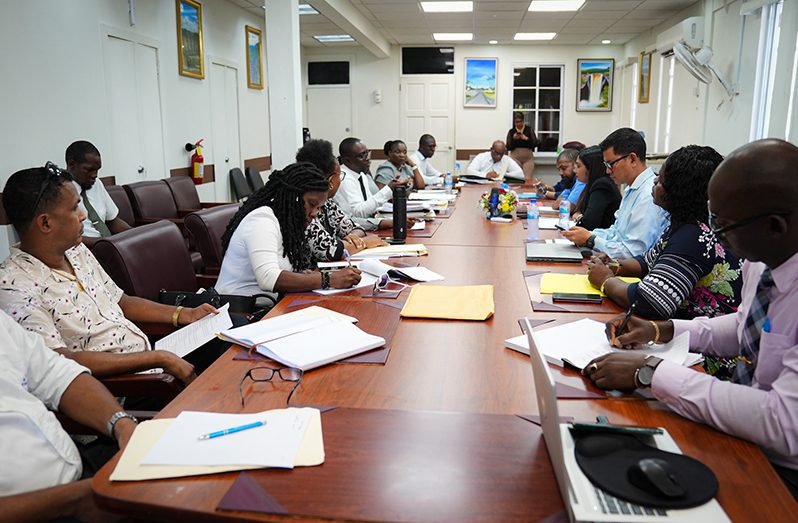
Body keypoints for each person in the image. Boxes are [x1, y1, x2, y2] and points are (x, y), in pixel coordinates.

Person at [583, 139, 798, 498]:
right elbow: (744, 326)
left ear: (774, 226)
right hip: (744, 427)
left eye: (724, 225)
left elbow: (783, 424)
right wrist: (662, 330)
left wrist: (650, 371)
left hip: (782, 470)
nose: (714, 235)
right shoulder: (764, 261)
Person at [0, 164, 214, 383]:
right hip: (126, 386)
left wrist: (184, 314)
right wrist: (157, 358)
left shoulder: (76, 250)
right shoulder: (13, 284)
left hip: (151, 358)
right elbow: (59, 360)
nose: (83, 216)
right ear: (46, 222)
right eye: (74, 208)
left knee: (225, 338)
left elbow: (121, 301)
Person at [1, 309, 138, 521]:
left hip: (80, 472)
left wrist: (122, 425)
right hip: (46, 508)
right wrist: (77, 500)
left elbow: (56, 375)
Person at [587, 143, 742, 320]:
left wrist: (606, 280)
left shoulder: (695, 236)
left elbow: (651, 302)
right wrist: (614, 265)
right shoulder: (684, 224)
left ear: (679, 191)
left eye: (661, 179)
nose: (654, 181)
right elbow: (646, 262)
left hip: (700, 341)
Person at [217, 162, 362, 298]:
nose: (315, 213)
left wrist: (306, 275)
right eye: (312, 204)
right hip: (241, 310)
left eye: (319, 207)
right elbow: (268, 278)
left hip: (271, 304)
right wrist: (328, 279)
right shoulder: (262, 220)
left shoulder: (289, 223)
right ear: (294, 198)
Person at [561, 127, 669, 258]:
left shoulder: (648, 195)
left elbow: (634, 252)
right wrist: (587, 234)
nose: (608, 171)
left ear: (632, 159)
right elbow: (616, 233)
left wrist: (591, 239)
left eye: (611, 164)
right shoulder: (632, 188)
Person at [296, 139, 384, 261]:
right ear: (331, 181)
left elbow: (357, 228)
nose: (341, 180)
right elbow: (331, 251)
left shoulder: (327, 203)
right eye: (340, 175)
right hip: (312, 275)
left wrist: (351, 239)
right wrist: (364, 242)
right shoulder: (302, 206)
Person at [333, 137, 404, 231]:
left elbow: (370, 206)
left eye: (367, 153)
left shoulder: (361, 174)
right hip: (357, 229)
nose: (368, 158)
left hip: (368, 226)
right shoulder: (344, 178)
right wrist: (389, 189)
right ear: (347, 160)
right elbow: (357, 213)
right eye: (362, 155)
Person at [65, 140, 131, 239]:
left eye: (97, 170)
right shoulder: (59, 192)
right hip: (86, 248)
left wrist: (136, 234)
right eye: (89, 170)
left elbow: (112, 221)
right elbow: (68, 238)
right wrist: (106, 243)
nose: (95, 175)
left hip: (107, 244)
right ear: (72, 164)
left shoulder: (96, 184)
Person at [570, 145, 621, 230]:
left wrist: (580, 218)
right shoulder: (594, 184)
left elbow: (588, 224)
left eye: (579, 166)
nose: (575, 170)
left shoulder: (602, 185)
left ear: (591, 167)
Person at [505, 112, 538, 180]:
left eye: (520, 122)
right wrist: (514, 139)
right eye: (516, 122)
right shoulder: (512, 131)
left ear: (523, 121)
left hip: (528, 158)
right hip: (515, 157)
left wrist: (526, 139)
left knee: (527, 179)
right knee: (517, 178)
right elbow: (508, 147)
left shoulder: (529, 130)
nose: (518, 124)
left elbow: (535, 144)